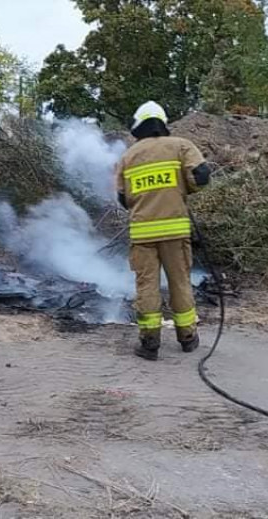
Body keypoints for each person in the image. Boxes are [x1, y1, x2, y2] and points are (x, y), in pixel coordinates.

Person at [114, 101, 213, 361]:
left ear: (139, 126)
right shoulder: (181, 146)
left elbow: (123, 199)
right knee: (180, 283)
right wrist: (183, 189)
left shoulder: (128, 156)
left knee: (147, 286)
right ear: (162, 123)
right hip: (175, 232)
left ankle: (149, 343)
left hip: (142, 234)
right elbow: (201, 176)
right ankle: (188, 338)